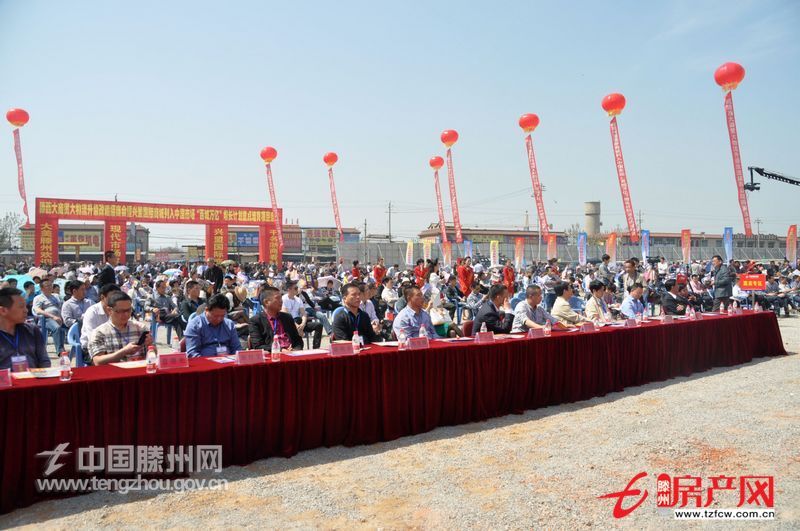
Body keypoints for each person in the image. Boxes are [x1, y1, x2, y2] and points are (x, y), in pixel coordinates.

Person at [88, 291, 154, 366]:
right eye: (121, 311)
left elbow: (153, 355)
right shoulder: (99, 333)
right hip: (113, 372)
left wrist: (150, 346)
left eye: (128, 310)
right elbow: (97, 362)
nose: (126, 314)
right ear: (109, 310)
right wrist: (123, 352)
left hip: (139, 370)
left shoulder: (141, 328)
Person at [0, 287, 50, 369]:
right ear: (3, 311)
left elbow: (44, 361)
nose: (26, 310)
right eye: (21, 307)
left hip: (33, 376)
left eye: (25, 306)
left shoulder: (32, 330)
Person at [249, 286, 304, 351]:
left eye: (281, 298)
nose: (281, 301)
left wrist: (295, 349)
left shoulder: (287, 318)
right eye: (278, 298)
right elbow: (258, 346)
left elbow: (298, 341)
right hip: (273, 355)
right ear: (266, 302)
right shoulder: (256, 321)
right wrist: (280, 350)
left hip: (291, 353)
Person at [282, 281, 323, 349]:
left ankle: (316, 347)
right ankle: (298, 338)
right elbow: (286, 315)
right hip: (290, 323)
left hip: (299, 322)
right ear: (289, 289)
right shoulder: (284, 299)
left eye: (297, 288)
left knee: (319, 325)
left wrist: (303, 324)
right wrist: (297, 326)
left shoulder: (298, 300)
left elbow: (304, 314)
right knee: (297, 321)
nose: (297, 289)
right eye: (295, 288)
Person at [32, 279, 66, 353]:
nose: (50, 287)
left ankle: (63, 348)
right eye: (47, 286)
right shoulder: (38, 298)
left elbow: (64, 306)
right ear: (41, 288)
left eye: (51, 285)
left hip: (59, 318)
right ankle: (60, 351)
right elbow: (38, 310)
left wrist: (63, 316)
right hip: (46, 319)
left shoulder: (56, 296)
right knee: (57, 328)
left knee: (64, 328)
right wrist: (53, 316)